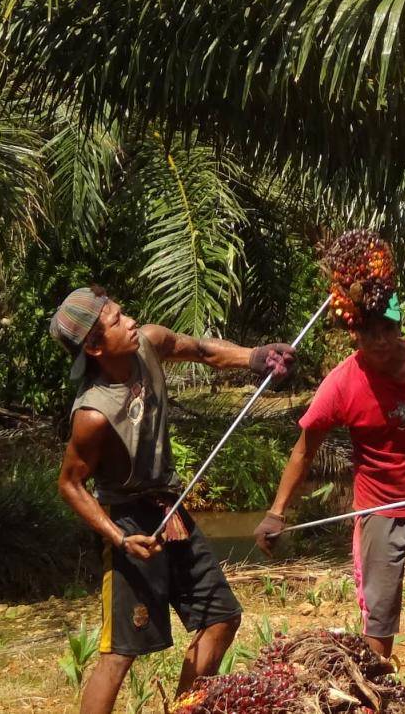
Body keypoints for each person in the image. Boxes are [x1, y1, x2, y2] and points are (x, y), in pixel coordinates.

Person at [50, 287, 296, 714]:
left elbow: (201, 351)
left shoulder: (149, 343)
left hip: (171, 507)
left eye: (123, 312)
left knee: (221, 618)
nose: (129, 322)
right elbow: (70, 484)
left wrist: (256, 357)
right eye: (115, 322)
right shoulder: (92, 414)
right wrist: (120, 539)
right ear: (93, 346)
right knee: (121, 653)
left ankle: (187, 709)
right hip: (129, 521)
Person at [254, 296, 405, 714]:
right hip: (380, 505)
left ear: (401, 326)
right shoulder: (341, 384)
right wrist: (277, 512)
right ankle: (375, 700)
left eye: (388, 329)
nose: (380, 341)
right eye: (369, 332)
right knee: (380, 612)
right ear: (355, 334)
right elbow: (303, 452)